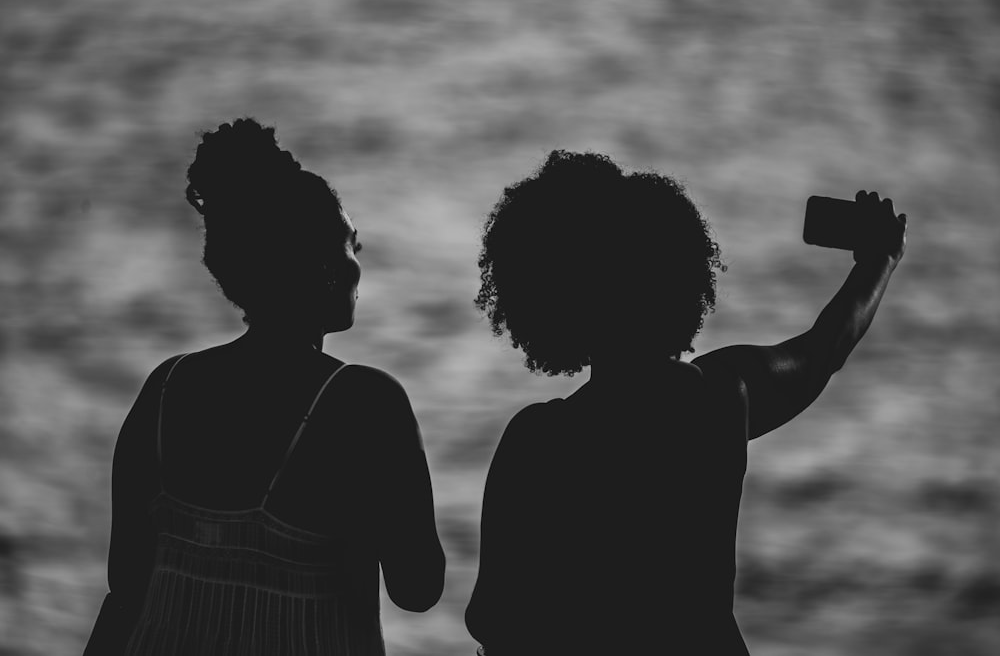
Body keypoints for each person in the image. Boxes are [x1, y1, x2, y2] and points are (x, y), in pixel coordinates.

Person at [464, 151, 906, 655]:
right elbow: (822, 350)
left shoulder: (538, 439)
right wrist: (879, 262)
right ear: (677, 275)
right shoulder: (720, 398)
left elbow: (491, 615)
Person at [84, 118, 445, 655]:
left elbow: (126, 583)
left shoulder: (166, 388)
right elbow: (417, 588)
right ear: (324, 266)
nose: (357, 267)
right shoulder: (367, 402)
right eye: (353, 246)